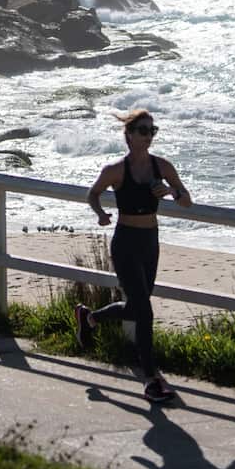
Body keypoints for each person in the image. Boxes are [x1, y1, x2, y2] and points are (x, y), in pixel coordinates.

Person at [75, 108, 192, 402]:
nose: (148, 136)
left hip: (150, 242)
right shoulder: (116, 170)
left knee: (137, 308)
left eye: (152, 131)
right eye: (143, 130)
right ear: (128, 135)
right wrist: (101, 213)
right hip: (125, 242)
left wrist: (168, 192)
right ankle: (151, 379)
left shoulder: (162, 166)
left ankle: (89, 318)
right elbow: (93, 193)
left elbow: (187, 201)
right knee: (145, 311)